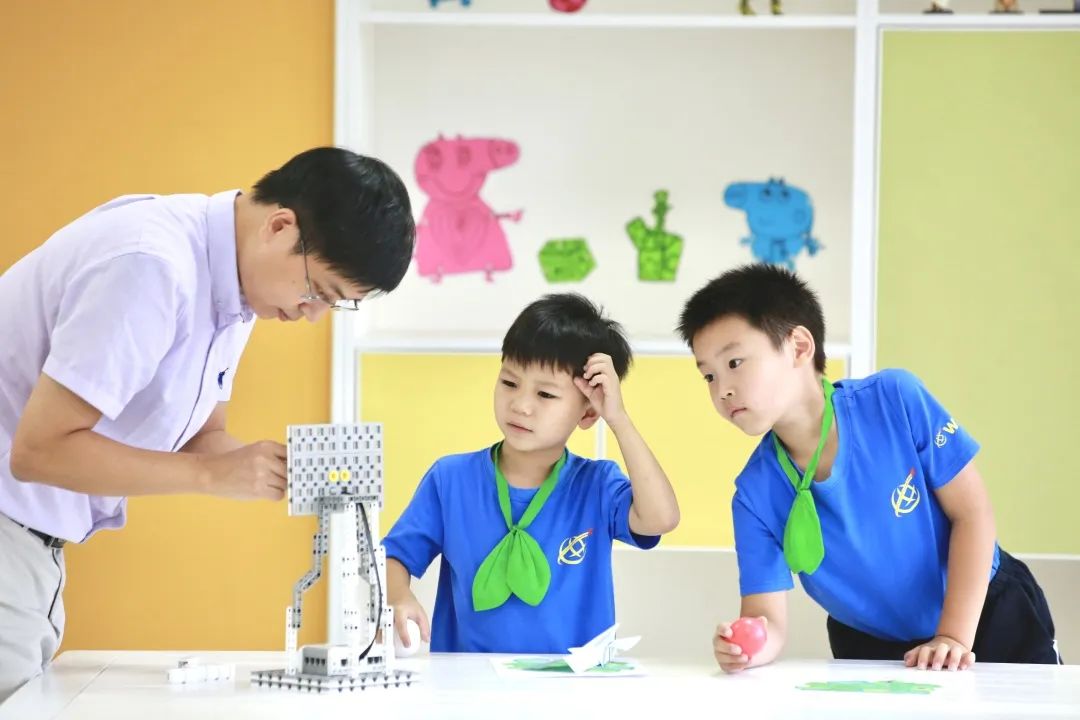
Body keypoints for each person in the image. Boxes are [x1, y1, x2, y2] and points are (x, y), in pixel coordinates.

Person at [0, 147, 416, 702]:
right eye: (317, 292)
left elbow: (204, 438)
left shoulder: (237, 292)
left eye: (334, 305)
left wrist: (278, 470)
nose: (311, 314)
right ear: (279, 227)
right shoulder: (151, 266)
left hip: (34, 547)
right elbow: (39, 451)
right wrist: (213, 476)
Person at [677, 263, 1059, 673]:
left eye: (735, 363)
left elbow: (972, 513)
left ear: (799, 347)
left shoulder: (895, 399)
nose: (722, 390)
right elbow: (766, 618)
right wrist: (746, 648)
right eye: (708, 376)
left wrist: (952, 637)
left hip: (985, 611)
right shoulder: (753, 495)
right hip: (870, 645)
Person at [384, 293, 680, 653]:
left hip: (572, 682)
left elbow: (661, 518)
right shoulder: (450, 479)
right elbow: (395, 555)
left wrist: (618, 419)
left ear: (588, 412)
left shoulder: (597, 485)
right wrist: (398, 596)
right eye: (509, 383)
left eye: (545, 395)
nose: (521, 405)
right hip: (468, 680)